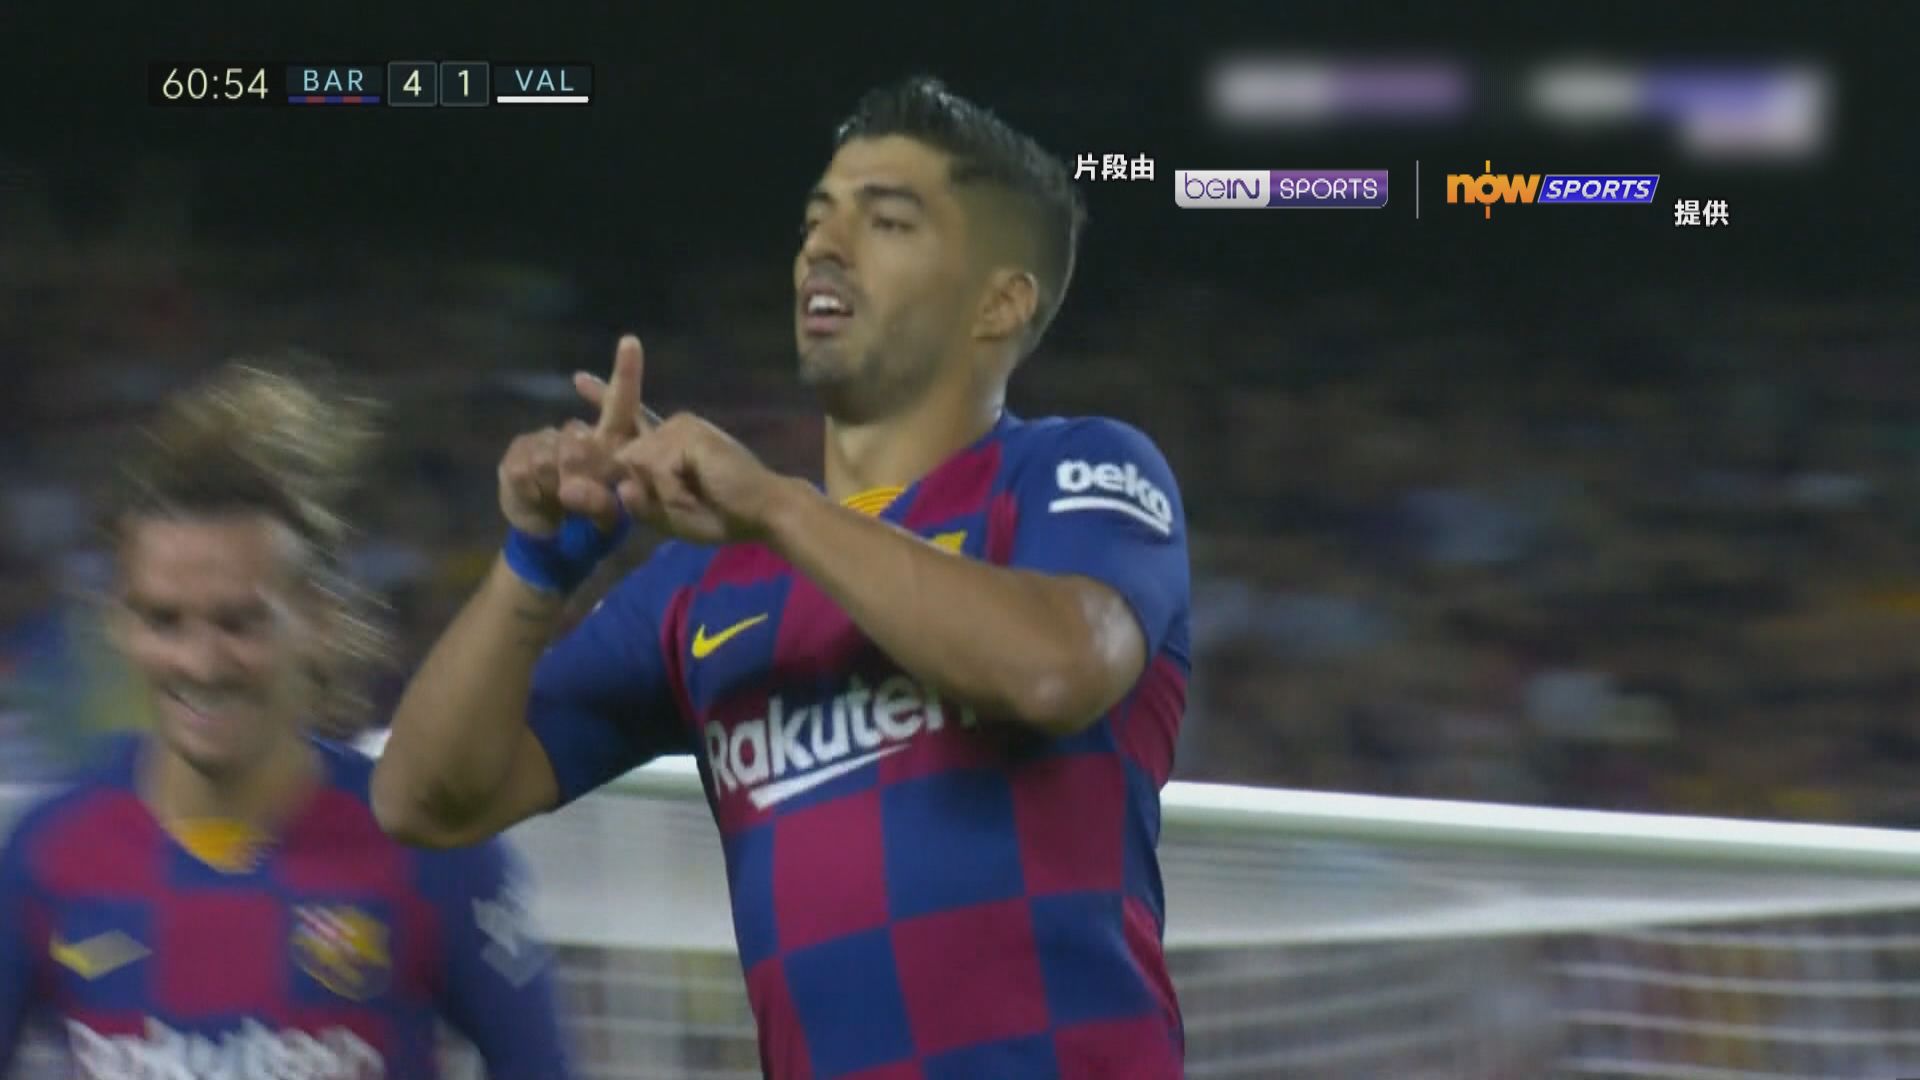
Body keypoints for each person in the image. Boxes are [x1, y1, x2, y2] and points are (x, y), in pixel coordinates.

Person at [374, 75, 1190, 1079]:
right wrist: (537, 566)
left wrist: (778, 506)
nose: (823, 246)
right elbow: (423, 799)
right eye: (816, 218)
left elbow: (1056, 667)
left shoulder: (1073, 471)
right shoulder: (706, 586)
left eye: (886, 222)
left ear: (999, 302)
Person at [0, 362, 574, 1079]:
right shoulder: (49, 856)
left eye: (239, 622)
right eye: (164, 620)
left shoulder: (430, 852)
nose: (201, 662)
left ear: (318, 621)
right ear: (120, 625)